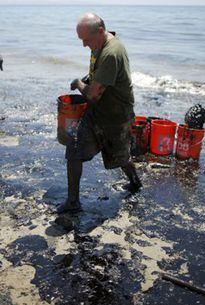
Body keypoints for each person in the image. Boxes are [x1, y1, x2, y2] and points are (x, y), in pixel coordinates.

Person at [60, 12, 142, 212]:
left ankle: (135, 182)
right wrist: (88, 80)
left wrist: (79, 84)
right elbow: (97, 77)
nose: (84, 45)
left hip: (116, 116)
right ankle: (73, 203)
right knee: (74, 150)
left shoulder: (111, 53)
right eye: (82, 40)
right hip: (96, 112)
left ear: (100, 31)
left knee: (121, 157)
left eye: (86, 40)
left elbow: (94, 95)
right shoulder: (99, 44)